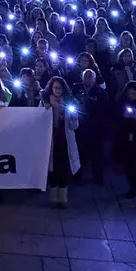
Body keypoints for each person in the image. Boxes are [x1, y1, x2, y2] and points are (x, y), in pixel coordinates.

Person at [42, 76, 79, 208]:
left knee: (63, 169)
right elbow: (39, 122)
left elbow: (75, 126)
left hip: (64, 139)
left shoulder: (70, 102)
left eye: (59, 88)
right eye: (55, 88)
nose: (57, 90)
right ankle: (53, 198)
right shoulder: (45, 102)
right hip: (51, 138)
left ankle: (62, 199)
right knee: (52, 169)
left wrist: (74, 117)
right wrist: (45, 110)